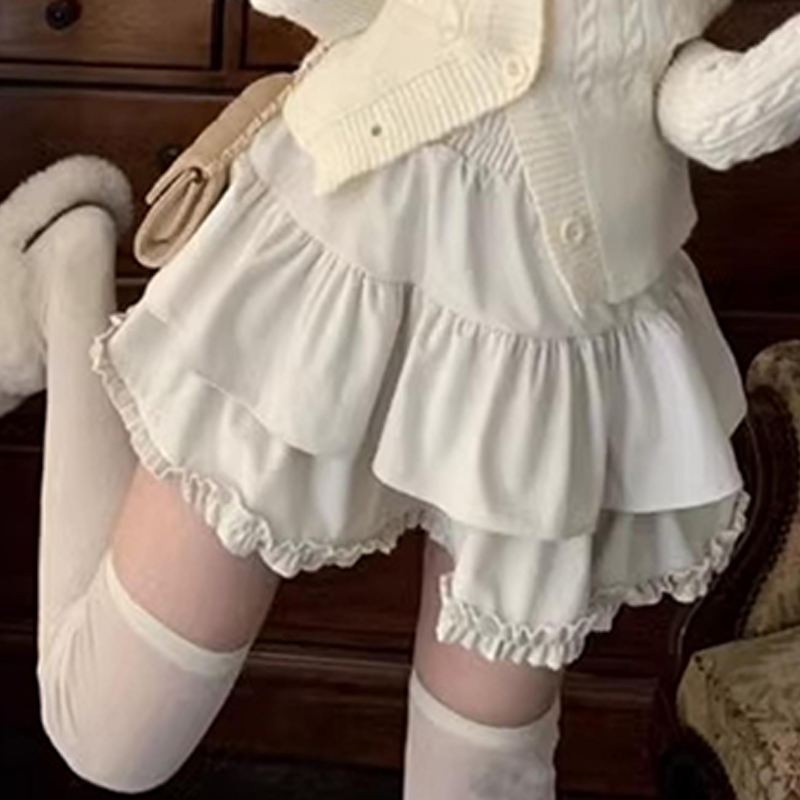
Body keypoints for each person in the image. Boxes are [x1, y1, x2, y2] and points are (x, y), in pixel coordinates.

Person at [1, 0, 798, 796]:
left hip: (553, 341)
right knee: (110, 738)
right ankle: (70, 265)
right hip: (341, 247)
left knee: (478, 781)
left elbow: (692, 101)